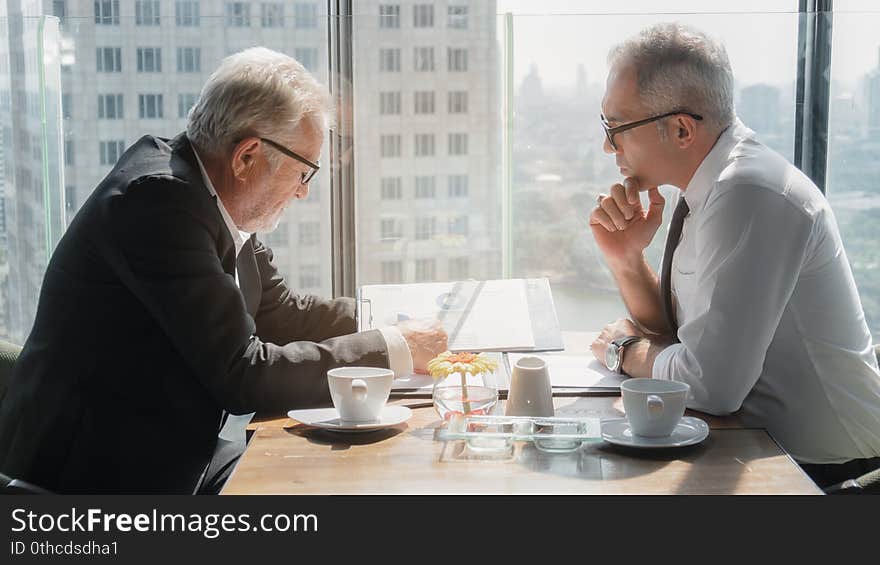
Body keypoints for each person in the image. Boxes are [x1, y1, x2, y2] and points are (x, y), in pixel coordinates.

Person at [0, 47, 447, 494]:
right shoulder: (157, 203)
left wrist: (389, 320)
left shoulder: (208, 192)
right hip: (95, 477)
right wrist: (392, 349)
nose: (301, 193)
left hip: (174, 448)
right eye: (304, 171)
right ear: (247, 156)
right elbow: (241, 374)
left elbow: (279, 312)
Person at [588, 23, 880, 487]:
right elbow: (677, 337)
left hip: (827, 474)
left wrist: (623, 352)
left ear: (682, 129)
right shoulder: (711, 187)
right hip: (758, 446)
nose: (608, 145)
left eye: (616, 127)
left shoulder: (748, 192)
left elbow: (709, 386)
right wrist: (626, 259)